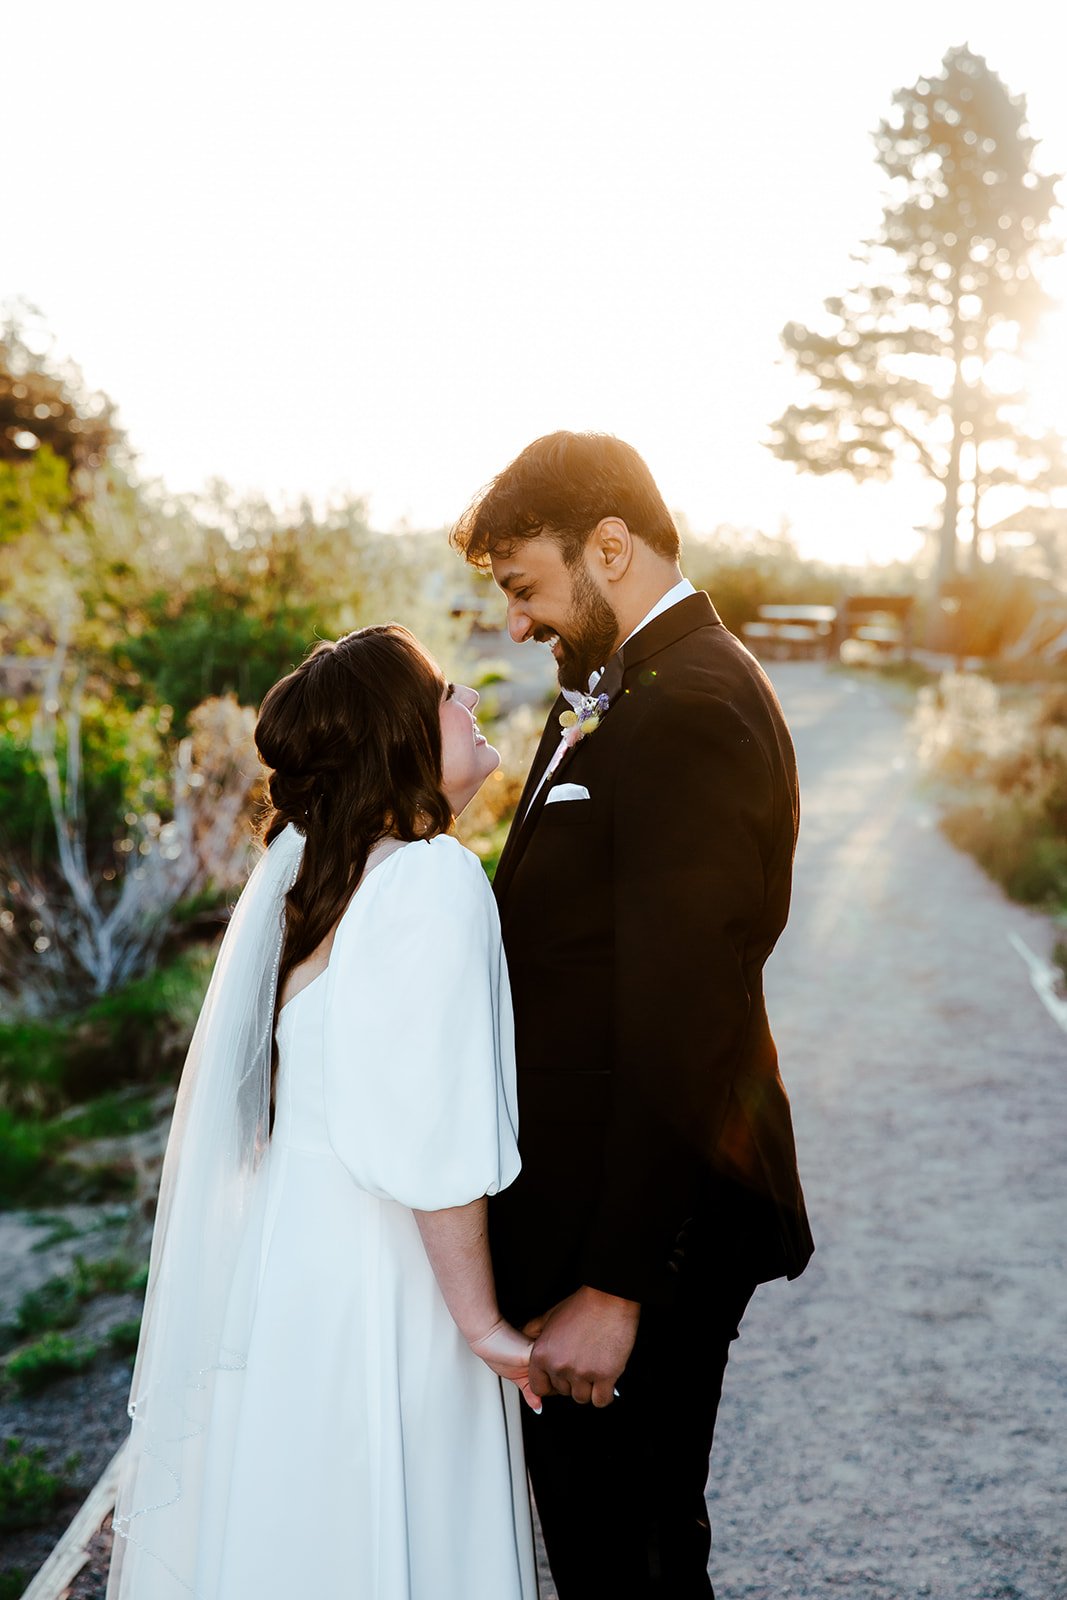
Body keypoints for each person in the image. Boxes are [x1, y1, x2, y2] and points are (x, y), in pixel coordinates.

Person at [451, 432, 815, 1598]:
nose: (514, 623)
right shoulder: (631, 694)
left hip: (640, 1235)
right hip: (588, 1215)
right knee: (615, 1549)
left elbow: (684, 1018)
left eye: (524, 586)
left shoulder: (691, 708)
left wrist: (617, 1285)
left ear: (607, 546)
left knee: (633, 1561)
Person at [107, 624, 539, 1600]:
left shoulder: (310, 880)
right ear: (402, 735)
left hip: (286, 1270)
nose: (468, 703)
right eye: (447, 693)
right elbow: (432, 1145)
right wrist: (481, 1327)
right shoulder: (429, 881)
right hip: (384, 1279)